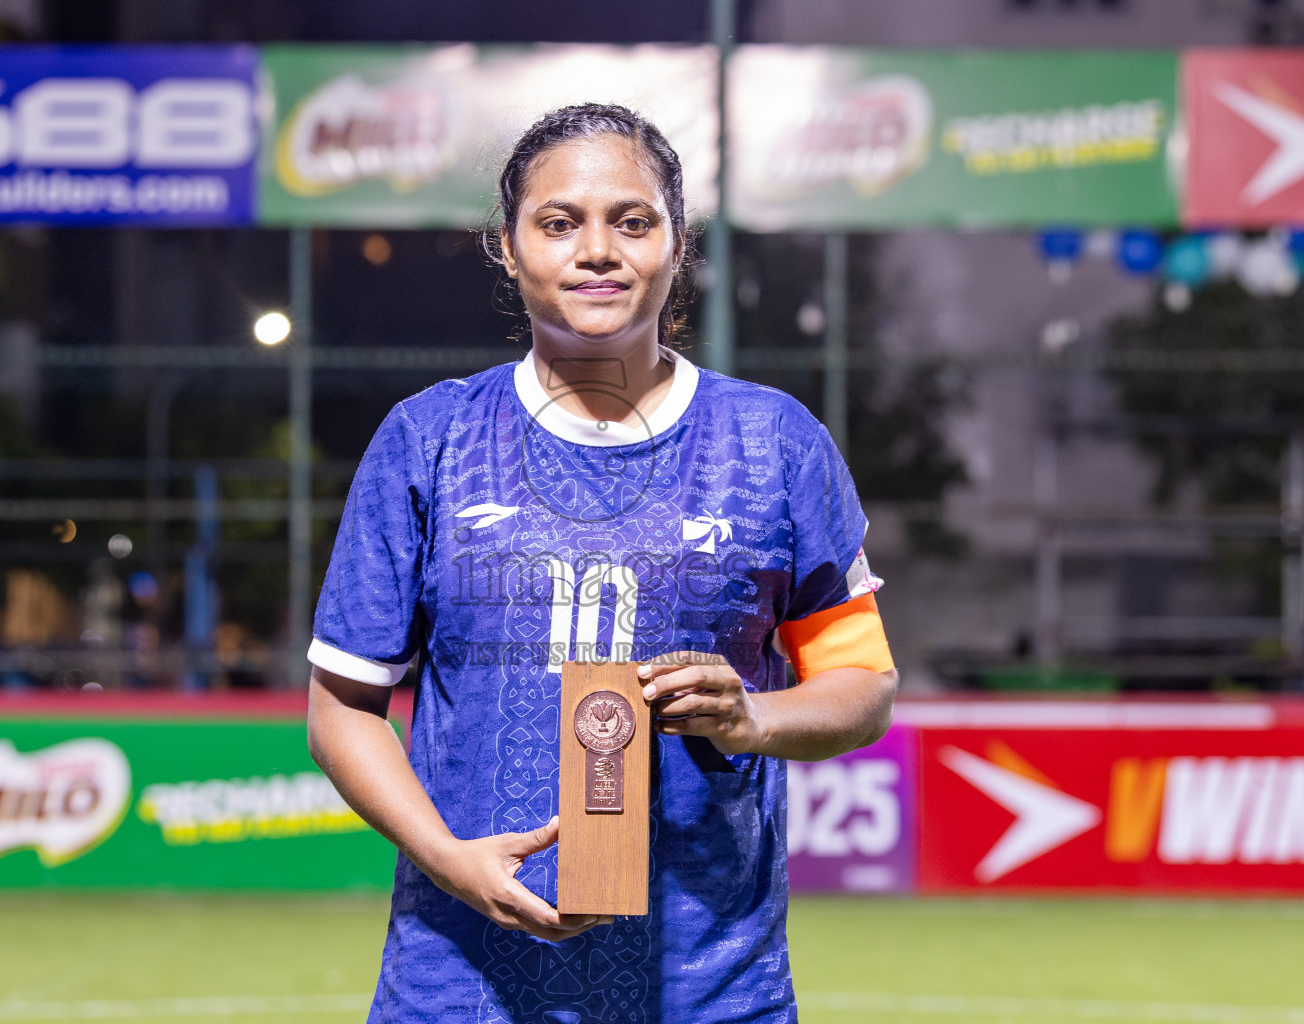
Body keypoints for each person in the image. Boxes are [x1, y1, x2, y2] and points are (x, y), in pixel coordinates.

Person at [307, 103, 898, 1023]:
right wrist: (447, 857)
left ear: (677, 240)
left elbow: (863, 686)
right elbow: (341, 708)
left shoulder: (776, 443)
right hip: (461, 981)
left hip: (709, 985)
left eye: (632, 220)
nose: (597, 250)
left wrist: (753, 716)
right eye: (558, 222)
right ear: (507, 246)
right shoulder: (428, 439)